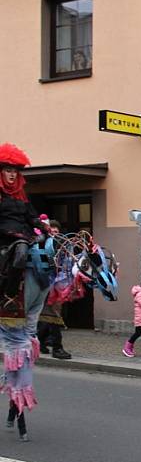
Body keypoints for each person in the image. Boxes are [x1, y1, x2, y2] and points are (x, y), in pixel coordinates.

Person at [0, 142, 51, 442]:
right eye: (7, 171)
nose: (10, 176)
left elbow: (33, 219)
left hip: (22, 241)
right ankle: (8, 295)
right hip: (5, 244)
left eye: (14, 172)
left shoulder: (21, 198)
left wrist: (45, 231)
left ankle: (47, 301)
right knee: (21, 250)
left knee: (46, 257)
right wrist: (15, 234)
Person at [37, 219, 71, 360]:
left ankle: (40, 342)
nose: (55, 233)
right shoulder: (41, 245)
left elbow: (66, 262)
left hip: (58, 284)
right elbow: (41, 262)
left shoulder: (63, 245)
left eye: (57, 231)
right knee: (53, 315)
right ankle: (57, 348)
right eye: (52, 231)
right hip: (46, 284)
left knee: (50, 315)